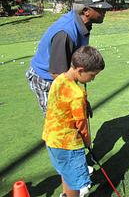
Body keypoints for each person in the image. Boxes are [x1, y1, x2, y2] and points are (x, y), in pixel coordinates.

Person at [26, 0, 112, 116]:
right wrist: (79, 97)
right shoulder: (65, 33)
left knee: (73, 116)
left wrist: (81, 100)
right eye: (100, 8)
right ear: (86, 11)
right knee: (58, 121)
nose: (105, 11)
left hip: (63, 74)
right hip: (47, 79)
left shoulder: (83, 23)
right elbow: (57, 74)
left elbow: (73, 67)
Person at [42, 46, 105, 197]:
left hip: (51, 139)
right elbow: (81, 124)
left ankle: (65, 194)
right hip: (68, 144)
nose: (93, 79)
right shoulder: (77, 94)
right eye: (92, 75)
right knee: (75, 183)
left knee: (66, 172)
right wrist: (87, 142)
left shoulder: (59, 79)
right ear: (80, 70)